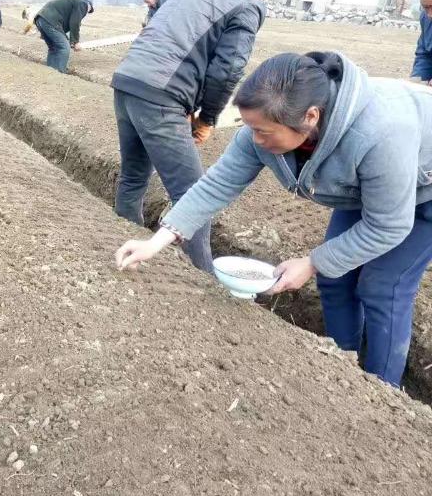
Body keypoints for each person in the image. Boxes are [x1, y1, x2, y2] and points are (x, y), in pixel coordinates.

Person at [116, 51, 432, 388]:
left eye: (264, 132)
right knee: (334, 278)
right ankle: (346, 366)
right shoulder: (266, 129)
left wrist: (311, 262)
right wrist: (155, 242)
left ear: (310, 116)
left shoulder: (380, 132)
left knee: (383, 286)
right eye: (249, 128)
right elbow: (216, 184)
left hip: (425, 190)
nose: (255, 141)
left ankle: (383, 388)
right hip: (369, 186)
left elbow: (389, 225)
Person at [110, 0, 279, 273]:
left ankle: (123, 245)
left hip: (127, 82)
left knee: (133, 176)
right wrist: (207, 118)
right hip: (161, 97)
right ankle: (202, 278)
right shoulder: (248, 2)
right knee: (193, 198)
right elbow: (228, 69)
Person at [33, 0, 94, 73]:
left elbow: (64, 28)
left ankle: (50, 71)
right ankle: (60, 72)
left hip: (41, 19)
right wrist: (75, 42)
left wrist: (70, 41)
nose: (87, 12)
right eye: (89, 10)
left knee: (53, 48)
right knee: (64, 47)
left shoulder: (72, 4)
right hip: (51, 20)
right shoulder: (83, 4)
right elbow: (75, 22)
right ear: (89, 6)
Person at [411, 0, 432, 85]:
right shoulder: (425, 18)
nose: (430, 14)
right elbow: (425, 54)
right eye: (425, 7)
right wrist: (417, 80)